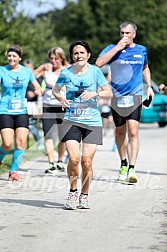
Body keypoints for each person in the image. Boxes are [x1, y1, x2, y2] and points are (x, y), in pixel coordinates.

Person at [52, 40, 112, 210]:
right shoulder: (66, 73)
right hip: (71, 120)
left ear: (88, 55)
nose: (79, 56)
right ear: (72, 56)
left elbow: (109, 92)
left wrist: (95, 93)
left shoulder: (95, 72)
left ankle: (84, 195)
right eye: (76, 53)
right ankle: (73, 191)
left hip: (92, 122)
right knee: (73, 158)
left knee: (86, 162)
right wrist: (61, 98)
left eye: (82, 52)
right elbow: (55, 91)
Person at [96, 21, 154, 183]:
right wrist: (117, 48)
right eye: (122, 33)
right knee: (120, 132)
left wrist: (148, 86)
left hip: (135, 94)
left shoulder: (141, 50)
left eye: (127, 33)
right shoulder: (111, 49)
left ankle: (132, 168)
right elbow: (99, 63)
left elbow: (145, 68)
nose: (124, 36)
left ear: (134, 34)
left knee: (133, 131)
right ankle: (123, 163)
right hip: (117, 96)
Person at [0, 45, 43, 181]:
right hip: (5, 110)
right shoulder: (2, 70)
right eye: (9, 56)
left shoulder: (26, 72)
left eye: (14, 56)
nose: (11, 58)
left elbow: (37, 86)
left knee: (21, 143)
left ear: (19, 58)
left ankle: (13, 171)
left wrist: (38, 91)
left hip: (22, 111)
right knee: (7, 143)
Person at [35, 47, 69, 173]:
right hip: (48, 105)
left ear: (61, 58)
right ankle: (51, 163)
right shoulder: (46, 69)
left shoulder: (67, 69)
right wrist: (41, 68)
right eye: (51, 58)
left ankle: (60, 161)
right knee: (48, 135)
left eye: (56, 59)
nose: (53, 61)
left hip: (62, 106)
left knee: (63, 136)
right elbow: (31, 77)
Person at [24, 59, 44, 151]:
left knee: (31, 125)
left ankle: (40, 143)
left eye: (29, 68)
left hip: (33, 104)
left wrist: (34, 93)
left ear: (32, 67)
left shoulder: (37, 77)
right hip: (22, 103)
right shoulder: (22, 76)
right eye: (25, 68)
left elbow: (41, 89)